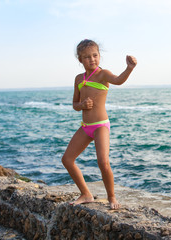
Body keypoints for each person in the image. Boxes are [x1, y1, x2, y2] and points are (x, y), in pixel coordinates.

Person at [62, 39, 137, 210]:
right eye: (87, 57)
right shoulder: (79, 79)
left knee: (103, 162)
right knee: (67, 159)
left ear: (99, 56)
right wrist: (82, 106)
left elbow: (118, 80)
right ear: (80, 60)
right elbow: (74, 104)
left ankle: (111, 196)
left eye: (95, 55)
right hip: (85, 127)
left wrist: (129, 68)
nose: (92, 59)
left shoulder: (103, 74)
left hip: (101, 125)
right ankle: (86, 194)